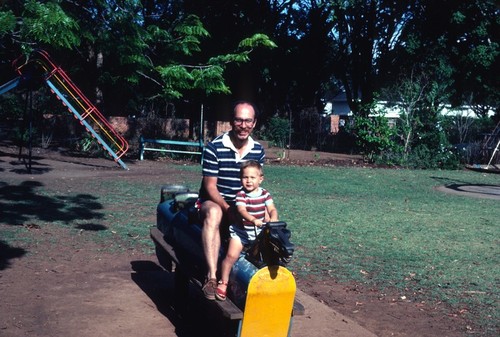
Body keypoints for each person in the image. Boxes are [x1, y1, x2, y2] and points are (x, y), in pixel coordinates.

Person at [198, 101, 265, 300]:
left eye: (248, 121)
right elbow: (210, 187)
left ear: (254, 123)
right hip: (215, 201)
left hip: (241, 202)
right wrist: (229, 209)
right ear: (231, 121)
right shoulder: (214, 147)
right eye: (239, 120)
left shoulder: (258, 150)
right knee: (214, 213)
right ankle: (211, 277)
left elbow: (255, 184)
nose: (243, 125)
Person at [215, 160, 278, 301]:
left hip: (258, 233)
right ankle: (223, 282)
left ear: (260, 179)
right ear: (241, 179)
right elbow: (242, 210)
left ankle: (271, 283)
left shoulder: (265, 194)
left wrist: (273, 218)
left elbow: (272, 208)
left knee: (269, 254)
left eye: (252, 177)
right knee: (231, 256)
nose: (248, 181)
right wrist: (253, 219)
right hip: (241, 233)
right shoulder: (241, 195)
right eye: (245, 177)